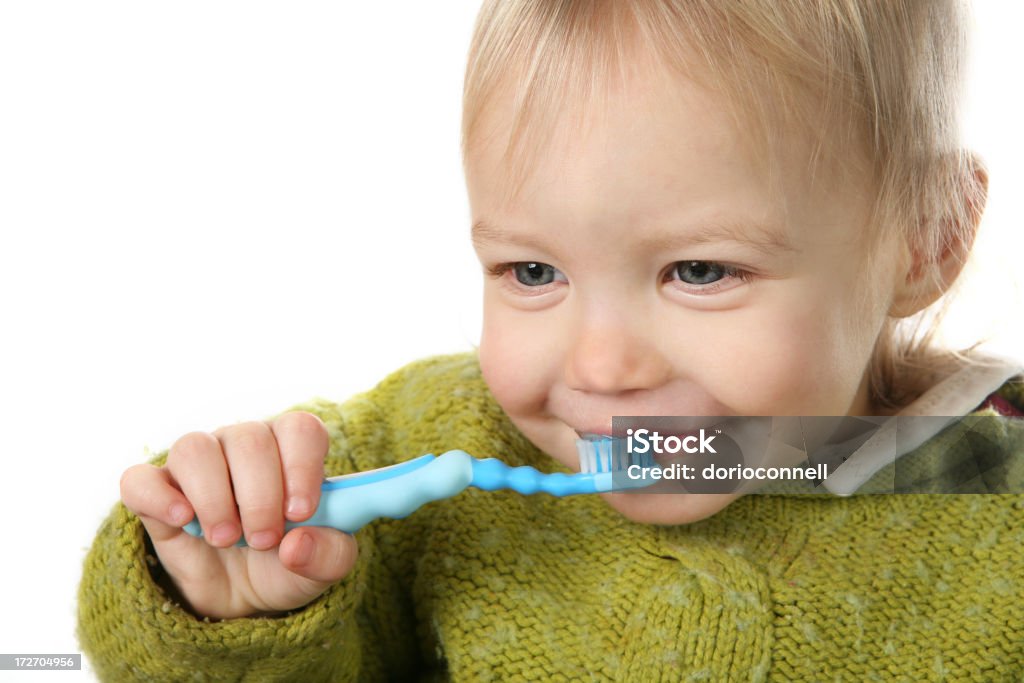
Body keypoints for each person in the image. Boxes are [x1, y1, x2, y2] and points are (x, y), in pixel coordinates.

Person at [78, 1, 1024, 679]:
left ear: (925, 236)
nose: (600, 367)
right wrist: (214, 596)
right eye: (534, 274)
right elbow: (139, 643)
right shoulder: (420, 449)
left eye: (699, 272)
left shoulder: (1000, 507)